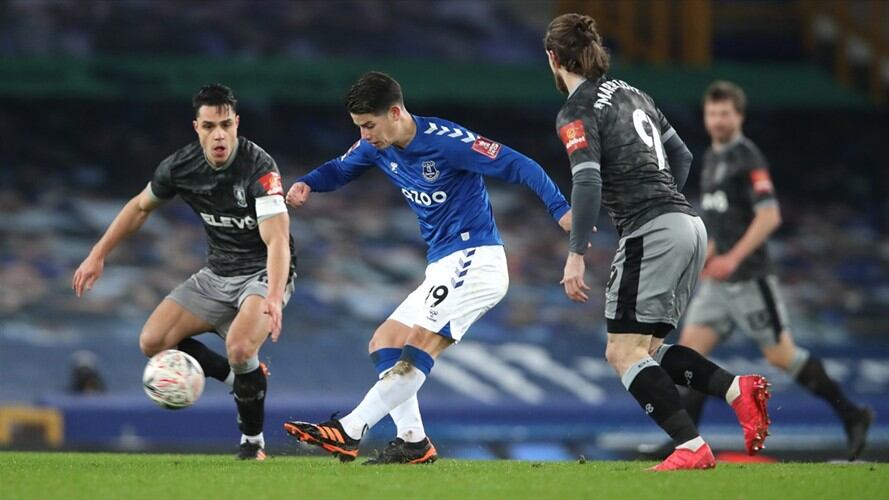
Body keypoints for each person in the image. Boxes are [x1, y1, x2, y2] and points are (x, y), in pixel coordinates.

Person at [282, 71, 572, 464]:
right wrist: (309, 184)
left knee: (417, 345)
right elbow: (341, 168)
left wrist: (560, 209)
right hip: (443, 264)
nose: (365, 135)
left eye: (369, 125)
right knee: (385, 340)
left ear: (396, 112)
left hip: (475, 258)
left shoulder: (447, 142)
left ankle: (350, 429)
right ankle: (414, 442)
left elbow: (520, 164)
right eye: (360, 127)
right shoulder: (377, 144)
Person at [547, 13, 771, 471]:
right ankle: (736, 389)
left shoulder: (576, 111)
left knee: (621, 351)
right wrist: (665, 200)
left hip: (654, 229)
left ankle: (689, 445)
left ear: (553, 58)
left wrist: (576, 256)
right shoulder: (635, 93)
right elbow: (683, 154)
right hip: (689, 225)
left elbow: (586, 181)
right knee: (646, 350)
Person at [72, 84, 295, 460]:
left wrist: (274, 295)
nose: (219, 134)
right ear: (197, 128)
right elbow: (140, 208)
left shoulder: (260, 168)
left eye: (226, 124)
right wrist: (97, 254)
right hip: (217, 272)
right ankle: (235, 375)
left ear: (237, 124)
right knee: (152, 341)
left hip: (261, 272)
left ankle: (252, 443)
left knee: (241, 347)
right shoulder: (180, 167)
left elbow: (277, 241)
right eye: (210, 126)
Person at [676, 80, 873, 461]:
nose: (717, 120)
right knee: (689, 356)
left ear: (740, 116)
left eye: (725, 113)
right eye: (712, 113)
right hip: (719, 284)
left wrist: (732, 258)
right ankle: (686, 443)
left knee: (782, 356)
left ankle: (853, 415)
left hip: (750, 278)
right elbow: (723, 224)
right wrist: (708, 257)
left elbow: (769, 215)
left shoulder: (747, 157)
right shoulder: (714, 159)